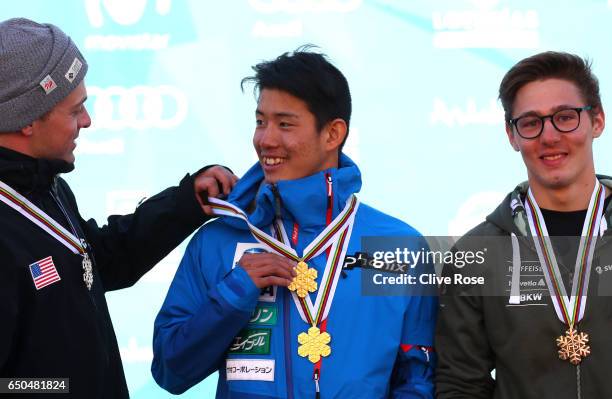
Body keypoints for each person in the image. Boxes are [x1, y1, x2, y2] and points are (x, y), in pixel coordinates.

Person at [152, 48, 437, 398]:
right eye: (260, 122)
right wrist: (234, 292)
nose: (265, 139)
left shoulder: (398, 247)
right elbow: (170, 371)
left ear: (332, 134)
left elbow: (418, 379)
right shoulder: (219, 241)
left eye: (284, 124)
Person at [0, 18, 237, 398]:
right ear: (28, 119)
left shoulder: (45, 187)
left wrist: (186, 203)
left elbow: (97, 261)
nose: (87, 121)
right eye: (75, 110)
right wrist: (66, 387)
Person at [436, 51, 612, 398]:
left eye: (565, 117)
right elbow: (460, 385)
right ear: (512, 135)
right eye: (531, 122)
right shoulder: (476, 254)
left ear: (597, 121)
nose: (549, 136)